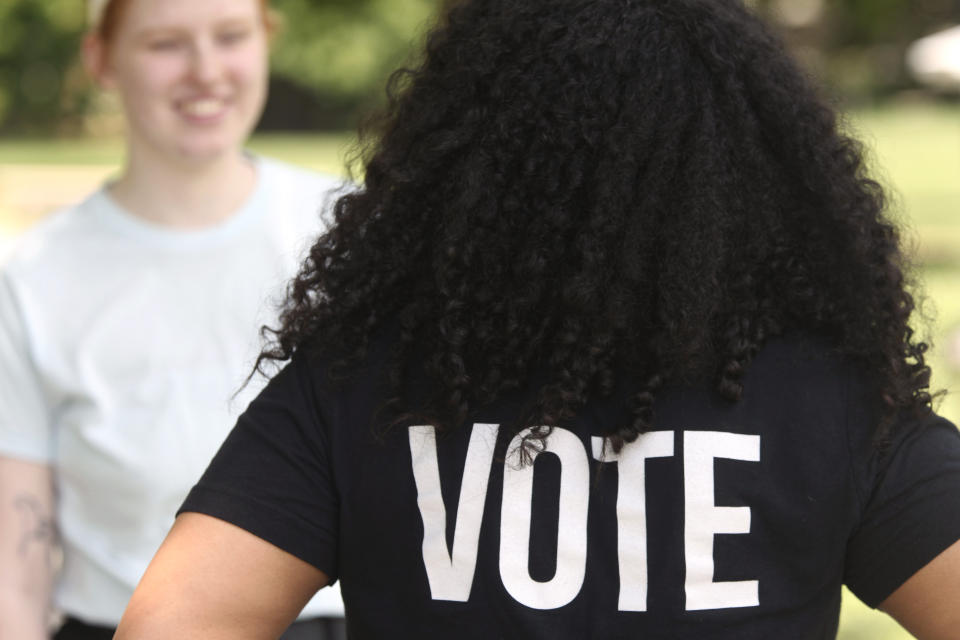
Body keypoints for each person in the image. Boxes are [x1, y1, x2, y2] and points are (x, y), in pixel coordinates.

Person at [114, 0, 960, 638]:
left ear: (465, 156)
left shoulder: (364, 383)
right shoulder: (832, 400)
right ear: (753, 168)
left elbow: (172, 624)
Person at [0, 0, 346, 638]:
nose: (206, 70)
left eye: (231, 36)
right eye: (166, 44)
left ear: (267, 40)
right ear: (101, 60)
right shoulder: (32, 278)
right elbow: (13, 577)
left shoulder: (351, 233)